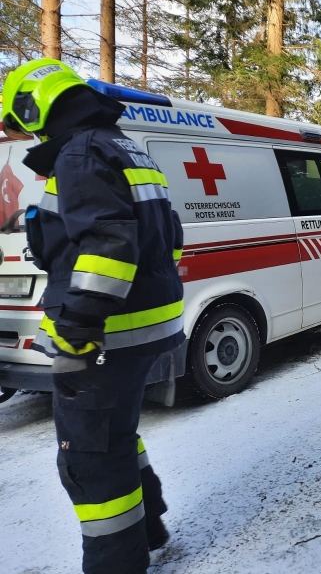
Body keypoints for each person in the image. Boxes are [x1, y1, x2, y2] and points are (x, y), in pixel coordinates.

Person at [1, 58, 185, 574]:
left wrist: (78, 328)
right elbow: (168, 236)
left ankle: (115, 566)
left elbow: (107, 246)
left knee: (89, 456)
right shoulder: (123, 146)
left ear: (32, 107)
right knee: (114, 432)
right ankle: (148, 527)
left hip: (105, 335)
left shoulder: (80, 154)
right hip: (147, 325)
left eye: (14, 117)